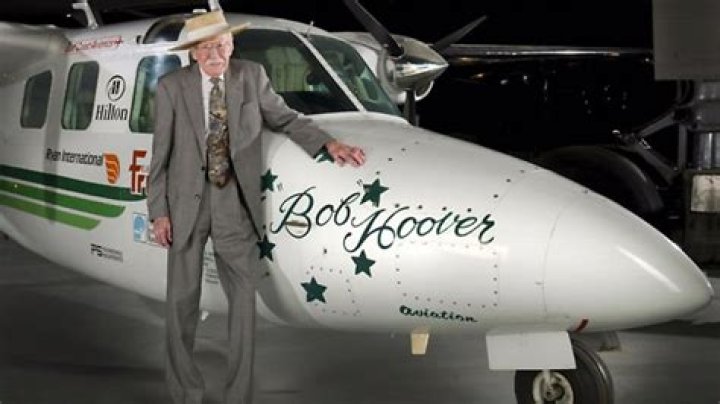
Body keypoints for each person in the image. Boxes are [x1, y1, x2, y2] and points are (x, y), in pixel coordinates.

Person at [147, 10, 365, 404]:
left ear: (232, 46)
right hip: (185, 206)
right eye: (206, 47)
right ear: (193, 52)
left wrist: (328, 143)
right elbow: (159, 156)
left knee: (244, 302)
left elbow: (285, 118)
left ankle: (238, 395)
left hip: (234, 202)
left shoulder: (251, 77)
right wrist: (159, 212)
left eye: (221, 45)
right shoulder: (170, 87)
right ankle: (185, 393)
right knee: (181, 303)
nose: (215, 53)